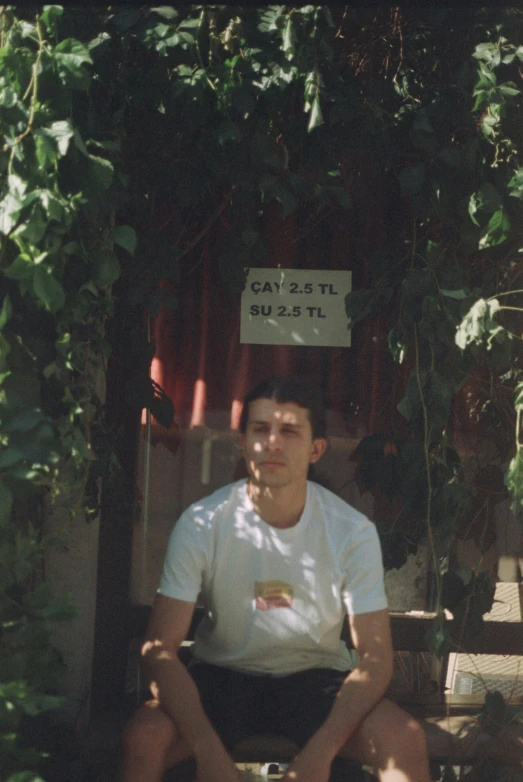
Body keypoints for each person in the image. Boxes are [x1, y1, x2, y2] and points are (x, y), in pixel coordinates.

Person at [122, 376, 431, 782]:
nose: (273, 443)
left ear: (317, 448)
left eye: (289, 431)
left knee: (404, 739)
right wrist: (207, 752)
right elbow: (158, 650)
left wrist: (319, 754)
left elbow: (375, 659)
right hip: (222, 678)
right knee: (143, 737)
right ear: (241, 441)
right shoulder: (202, 523)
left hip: (316, 679)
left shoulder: (350, 530)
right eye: (260, 429)